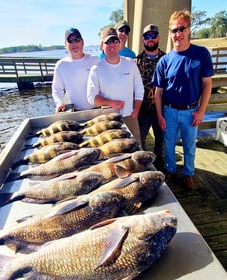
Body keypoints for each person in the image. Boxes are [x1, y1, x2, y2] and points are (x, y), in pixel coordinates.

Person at [152, 10, 214, 189]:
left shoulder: (201, 54)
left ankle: (189, 173)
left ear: (188, 30)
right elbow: (158, 91)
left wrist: (201, 110)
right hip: (169, 111)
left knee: (189, 146)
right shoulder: (164, 61)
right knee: (169, 144)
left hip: (191, 111)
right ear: (170, 33)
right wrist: (160, 116)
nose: (177, 34)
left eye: (181, 29)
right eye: (173, 30)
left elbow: (207, 84)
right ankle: (170, 170)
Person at [87, 27, 144, 144]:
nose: (112, 44)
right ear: (102, 46)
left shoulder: (130, 63)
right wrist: (111, 103)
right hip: (108, 120)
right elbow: (91, 98)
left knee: (137, 149)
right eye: (107, 42)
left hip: (130, 117)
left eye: (114, 41)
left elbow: (139, 89)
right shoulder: (96, 69)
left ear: (119, 43)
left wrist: (136, 111)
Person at [136, 24, 166, 169]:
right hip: (143, 110)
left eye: (153, 36)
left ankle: (161, 167)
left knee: (161, 142)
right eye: (147, 36)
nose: (151, 39)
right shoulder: (137, 61)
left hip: (163, 111)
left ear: (158, 38)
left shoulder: (167, 59)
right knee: (140, 141)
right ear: (143, 40)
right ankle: (143, 169)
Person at [52, 28, 99, 113]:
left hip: (98, 109)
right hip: (76, 111)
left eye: (77, 40)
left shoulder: (95, 60)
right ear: (65, 44)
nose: (74, 44)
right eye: (70, 41)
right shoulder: (61, 65)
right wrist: (59, 103)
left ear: (82, 42)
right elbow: (57, 89)